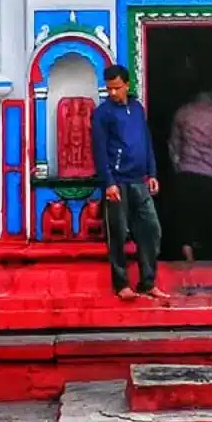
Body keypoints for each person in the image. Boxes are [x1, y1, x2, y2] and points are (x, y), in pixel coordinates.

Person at [91, 64, 167, 300]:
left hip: (139, 181)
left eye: (116, 88)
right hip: (117, 182)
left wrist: (152, 173)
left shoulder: (137, 109)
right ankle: (121, 284)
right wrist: (109, 183)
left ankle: (147, 281)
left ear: (127, 85)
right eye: (109, 89)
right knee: (118, 234)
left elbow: (146, 141)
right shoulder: (102, 113)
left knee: (151, 230)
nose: (113, 93)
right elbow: (100, 150)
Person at [168, 89, 212, 261]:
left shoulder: (183, 112)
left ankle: (188, 250)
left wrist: (178, 170)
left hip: (187, 172)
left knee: (187, 216)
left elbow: (173, 147)